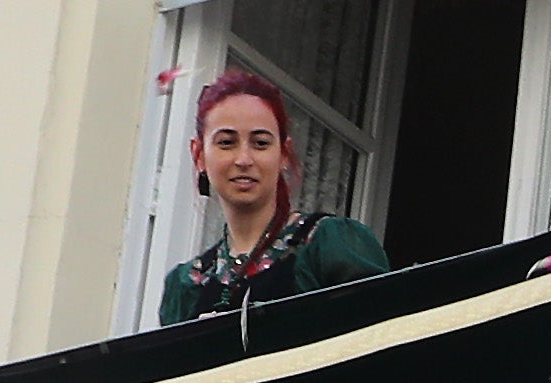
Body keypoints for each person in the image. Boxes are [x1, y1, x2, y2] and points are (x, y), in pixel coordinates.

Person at [156, 69, 391, 322]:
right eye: (226, 142)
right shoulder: (184, 288)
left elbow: (379, 346)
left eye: (260, 143)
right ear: (199, 154)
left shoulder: (330, 246)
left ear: (284, 154)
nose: (244, 159)